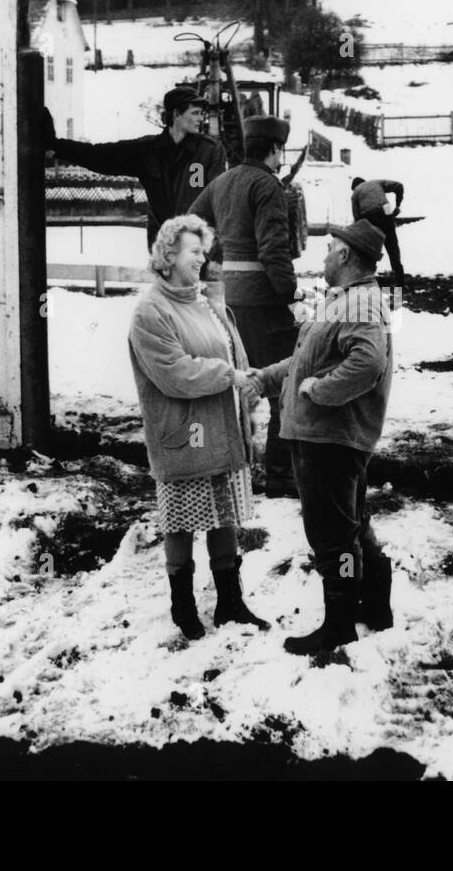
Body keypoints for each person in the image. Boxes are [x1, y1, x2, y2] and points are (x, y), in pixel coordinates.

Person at [239, 219, 395, 654]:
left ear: (345, 255)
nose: (324, 255)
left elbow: (366, 363)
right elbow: (306, 360)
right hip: (329, 437)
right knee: (350, 525)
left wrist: (320, 393)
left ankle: (340, 623)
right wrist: (267, 378)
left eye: (329, 248)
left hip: (330, 438)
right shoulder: (346, 300)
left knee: (332, 536)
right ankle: (375, 607)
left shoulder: (359, 303)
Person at [128, 214, 270, 642]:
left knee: (223, 515)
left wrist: (247, 387)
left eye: (203, 251)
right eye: (194, 251)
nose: (202, 258)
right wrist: (228, 375)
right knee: (182, 522)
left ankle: (230, 602)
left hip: (222, 430)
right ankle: (183, 607)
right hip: (184, 433)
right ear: (168, 256)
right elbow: (174, 372)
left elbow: (234, 353)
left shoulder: (205, 302)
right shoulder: (151, 311)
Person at [189, 116, 300, 498]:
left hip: (233, 296)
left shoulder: (224, 180)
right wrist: (292, 295)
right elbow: (274, 249)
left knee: (248, 378)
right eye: (280, 150)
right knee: (284, 382)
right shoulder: (267, 184)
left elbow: (192, 223)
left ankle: (240, 464)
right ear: (273, 149)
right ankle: (281, 473)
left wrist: (219, 252)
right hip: (267, 299)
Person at [42, 86, 226, 251]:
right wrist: (57, 145)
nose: (201, 119)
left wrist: (216, 252)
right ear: (176, 115)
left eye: (201, 114)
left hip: (197, 247)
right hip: (163, 245)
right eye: (195, 113)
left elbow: (219, 203)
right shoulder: (147, 150)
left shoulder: (209, 151)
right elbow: (99, 155)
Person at [350, 177, 406, 288]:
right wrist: (398, 205)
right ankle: (400, 281)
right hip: (386, 213)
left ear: (355, 186)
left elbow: (357, 219)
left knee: (369, 251)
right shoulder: (377, 183)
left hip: (369, 218)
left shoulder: (355, 193)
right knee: (392, 247)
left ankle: (367, 280)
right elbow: (399, 186)